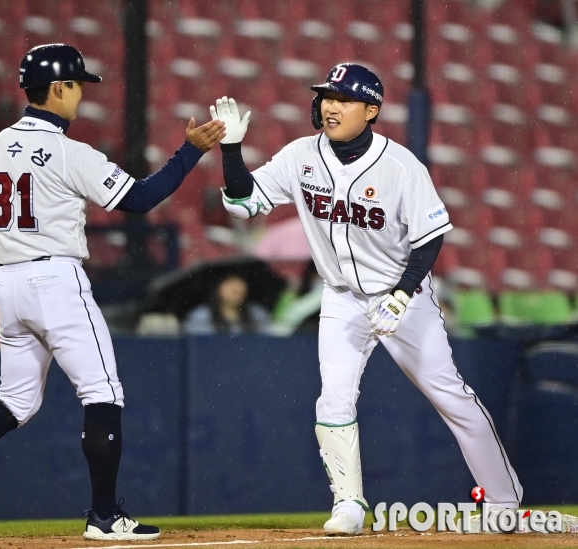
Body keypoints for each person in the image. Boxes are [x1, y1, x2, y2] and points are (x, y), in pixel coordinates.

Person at [0, 43, 225, 542]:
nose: (80, 95)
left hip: (7, 283)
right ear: (58, 89)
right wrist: (191, 152)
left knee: (14, 400)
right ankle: (103, 516)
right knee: (103, 392)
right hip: (55, 280)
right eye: (77, 85)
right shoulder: (68, 151)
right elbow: (140, 199)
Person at [209, 63, 522, 535]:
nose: (330, 105)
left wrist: (402, 293)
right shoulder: (300, 156)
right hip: (339, 297)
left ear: (371, 110)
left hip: (404, 295)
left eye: (343, 99)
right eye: (326, 96)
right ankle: (349, 504)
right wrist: (231, 150)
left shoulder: (400, 166)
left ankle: (503, 499)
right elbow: (244, 201)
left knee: (449, 395)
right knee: (332, 400)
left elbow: (429, 237)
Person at [183, 273, 272, 334]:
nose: (237, 288)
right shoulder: (201, 316)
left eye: (241, 282)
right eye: (230, 282)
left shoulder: (257, 313)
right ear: (216, 287)